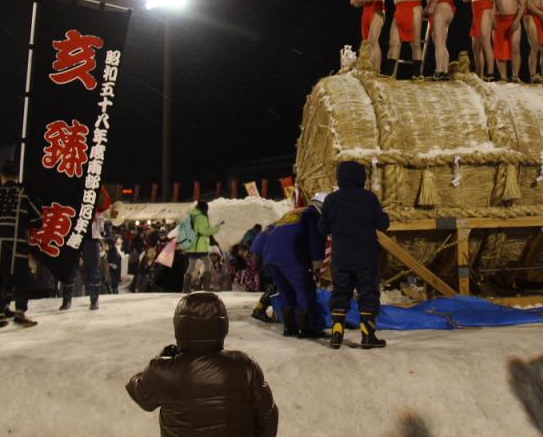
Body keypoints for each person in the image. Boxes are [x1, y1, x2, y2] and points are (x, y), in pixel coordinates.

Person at [126, 291, 278, 436]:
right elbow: (268, 418)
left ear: (179, 325)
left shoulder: (164, 370)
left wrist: (160, 359)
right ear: (222, 324)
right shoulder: (244, 365)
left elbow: (141, 394)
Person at [318, 161, 390, 350]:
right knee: (368, 292)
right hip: (366, 254)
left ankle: (336, 333)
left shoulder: (331, 200)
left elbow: (322, 228)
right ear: (361, 177)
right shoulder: (369, 198)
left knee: (341, 292)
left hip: (341, 255)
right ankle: (368, 335)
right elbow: (382, 224)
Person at [250, 193, 326, 338]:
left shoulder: (292, 213)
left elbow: (268, 229)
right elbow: (316, 238)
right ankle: (306, 330)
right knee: (305, 289)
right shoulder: (313, 215)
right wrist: (317, 262)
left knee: (286, 292)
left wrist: (256, 250)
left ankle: (289, 329)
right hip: (291, 256)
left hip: (271, 256)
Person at [0, 161, 43, 327]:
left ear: (2, 176)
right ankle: (20, 312)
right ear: (17, 176)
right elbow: (37, 219)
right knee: (21, 277)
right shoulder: (23, 193)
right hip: (17, 241)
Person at [60, 187, 111, 311]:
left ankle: (94, 300)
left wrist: (95, 192)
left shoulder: (97, 183)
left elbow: (105, 205)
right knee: (70, 266)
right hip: (74, 230)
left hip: (91, 232)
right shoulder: (73, 180)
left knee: (94, 267)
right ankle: (66, 299)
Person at [385, 0, 425, 79]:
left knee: (415, 43)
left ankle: (417, 74)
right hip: (399, 11)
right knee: (393, 42)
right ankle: (389, 73)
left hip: (414, 9)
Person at [490, 0, 526, 82]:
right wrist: (492, 18)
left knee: (515, 47)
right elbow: (490, 2)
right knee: (500, 50)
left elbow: (523, 5)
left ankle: (515, 75)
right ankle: (503, 77)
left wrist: (517, 20)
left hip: (513, 20)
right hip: (498, 20)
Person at [349, 0, 385, 72]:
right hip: (366, 13)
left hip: (377, 10)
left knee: (373, 39)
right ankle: (369, 69)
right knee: (367, 43)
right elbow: (357, 5)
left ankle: (377, 71)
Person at [459, 0, 494, 79]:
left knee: (485, 40)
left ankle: (490, 73)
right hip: (476, 9)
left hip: (484, 7)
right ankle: (480, 74)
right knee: (475, 45)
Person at [424, 0, 455, 80]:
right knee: (441, 41)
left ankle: (439, 71)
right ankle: (443, 70)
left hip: (441, 6)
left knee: (439, 41)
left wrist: (432, 5)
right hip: (447, 7)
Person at [181, 201, 224, 294]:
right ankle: (206, 287)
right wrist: (217, 227)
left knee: (191, 266)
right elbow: (204, 231)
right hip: (200, 245)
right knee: (207, 264)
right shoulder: (202, 217)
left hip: (192, 245)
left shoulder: (191, 216)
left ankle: (185, 288)